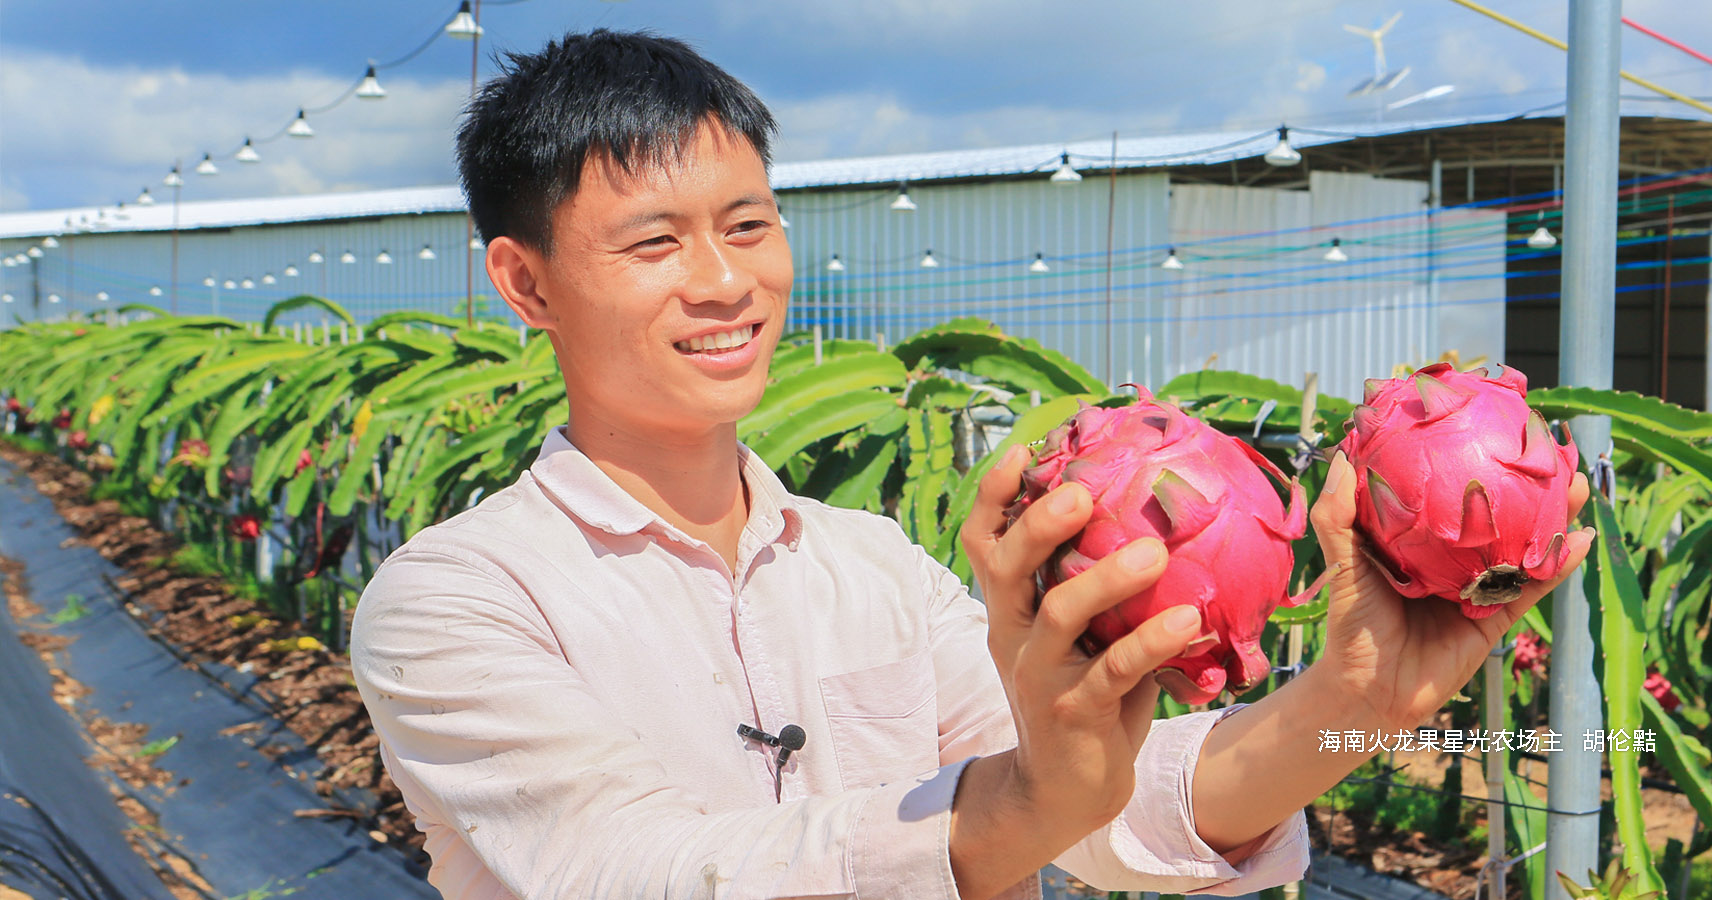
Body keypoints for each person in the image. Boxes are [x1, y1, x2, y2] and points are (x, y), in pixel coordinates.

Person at [349, 28, 1594, 900]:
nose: (725, 281)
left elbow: (1104, 804)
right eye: (653, 242)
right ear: (526, 284)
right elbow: (638, 874)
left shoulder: (876, 567)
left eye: (748, 224)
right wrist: (1023, 806)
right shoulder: (458, 600)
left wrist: (1353, 702)